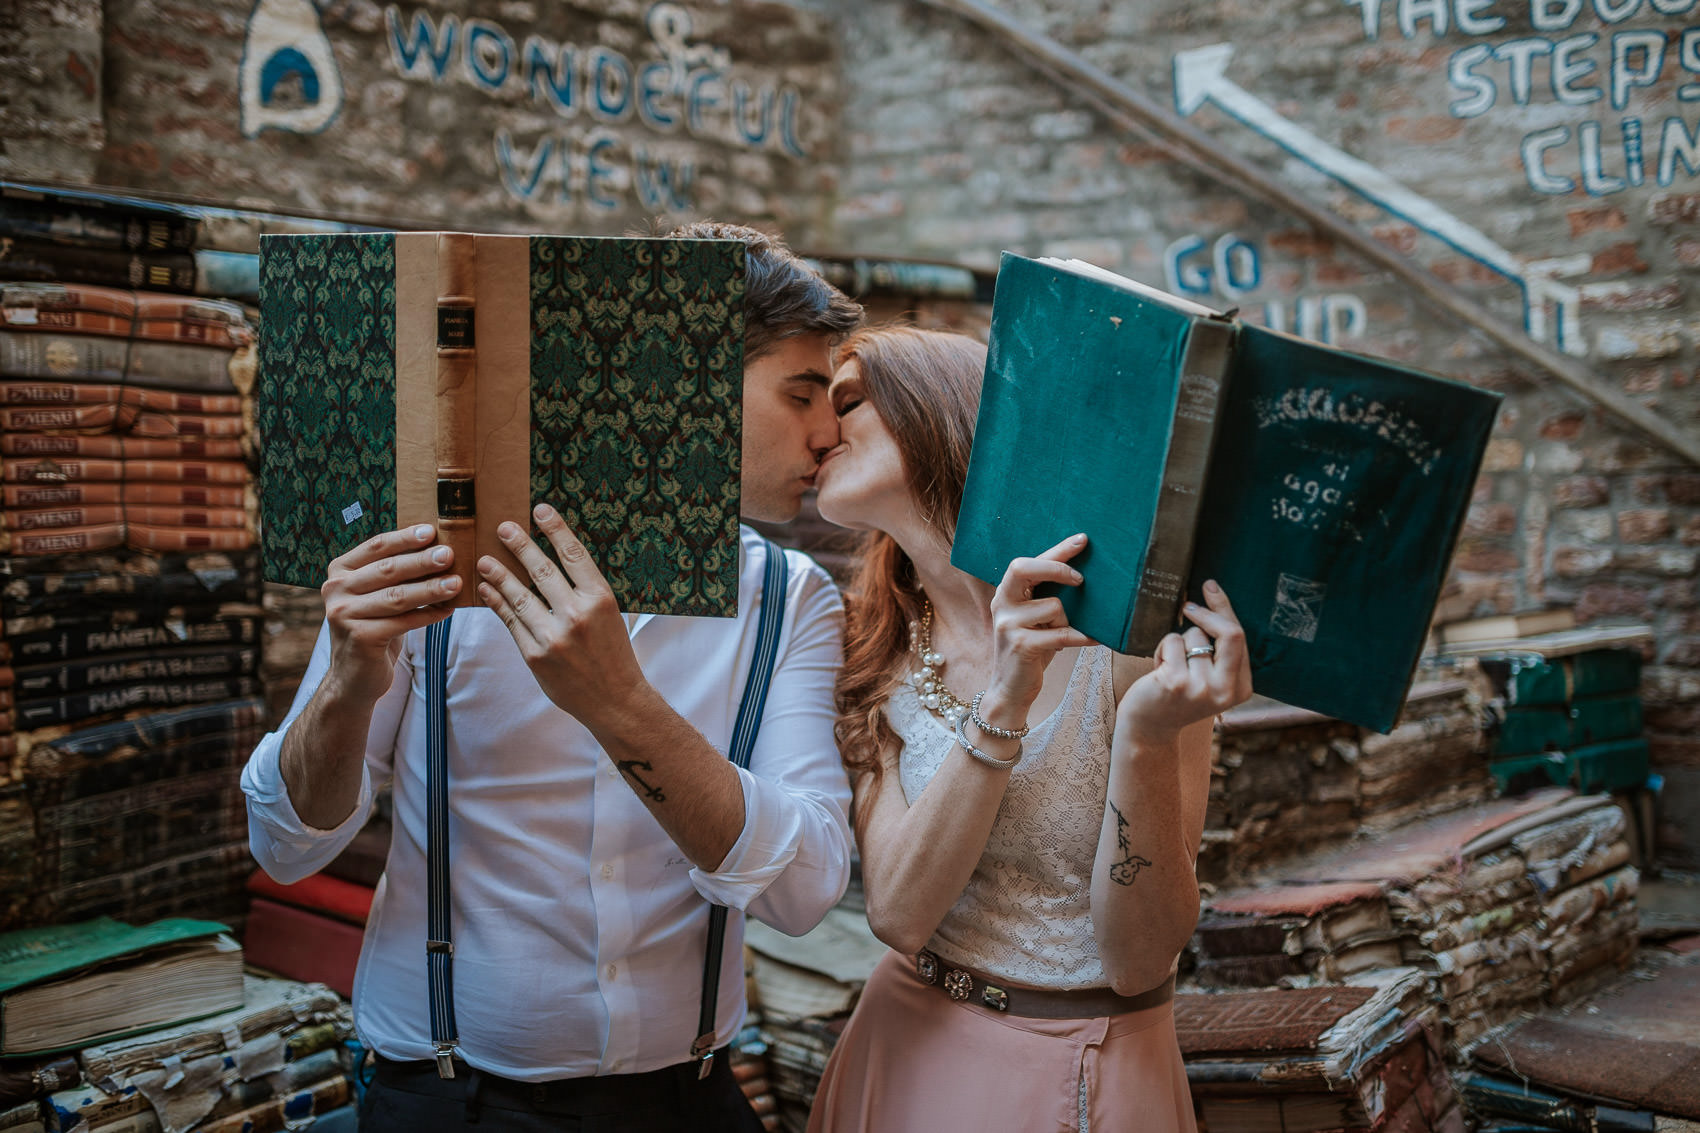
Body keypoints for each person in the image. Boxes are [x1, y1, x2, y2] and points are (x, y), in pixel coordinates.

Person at [241, 222, 864, 1133]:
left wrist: (619, 705)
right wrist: (347, 675)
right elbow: (287, 845)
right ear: (678, 379)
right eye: (802, 392)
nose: (828, 433)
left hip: (688, 1100)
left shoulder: (791, 597)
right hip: (450, 1098)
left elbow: (804, 888)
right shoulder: (435, 562)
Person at [805, 326, 1254, 1133]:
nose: (818, 429)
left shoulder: (1123, 633)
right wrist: (1007, 697)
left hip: (1089, 1063)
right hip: (902, 1043)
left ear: (935, 410)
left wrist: (1147, 738)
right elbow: (900, 914)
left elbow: (1140, 957)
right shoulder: (869, 649)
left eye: (844, 400)